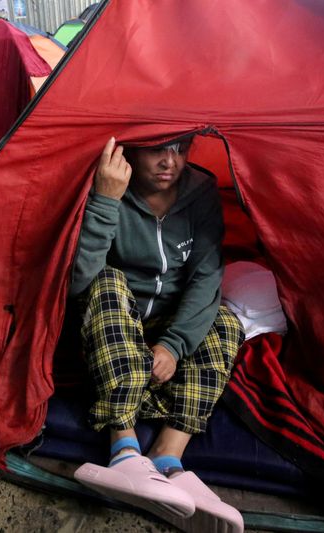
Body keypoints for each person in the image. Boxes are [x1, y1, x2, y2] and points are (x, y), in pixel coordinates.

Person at [70, 136, 245, 532]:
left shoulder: (200, 193)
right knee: (107, 281)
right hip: (111, 324)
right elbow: (79, 280)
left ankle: (169, 461)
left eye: (181, 149)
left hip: (166, 327)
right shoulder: (105, 184)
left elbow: (206, 277)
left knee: (226, 321)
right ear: (130, 149)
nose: (171, 162)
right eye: (158, 149)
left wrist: (173, 345)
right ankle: (124, 450)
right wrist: (106, 200)